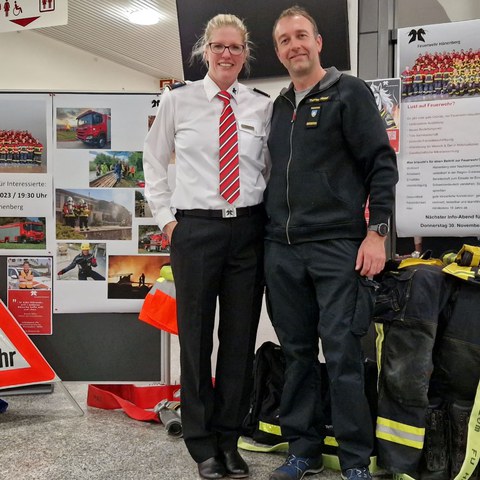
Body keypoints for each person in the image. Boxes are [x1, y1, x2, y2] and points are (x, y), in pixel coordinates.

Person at [264, 7, 398, 480]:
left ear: (319, 42)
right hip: (281, 251)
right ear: (278, 50)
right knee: (297, 352)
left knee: (342, 354)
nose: (294, 45)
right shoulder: (278, 106)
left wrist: (376, 233)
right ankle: (303, 449)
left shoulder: (349, 92)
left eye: (301, 35)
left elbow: (381, 165)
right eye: (284, 40)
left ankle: (356, 459)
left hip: (338, 247)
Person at [143, 13, 272, 480]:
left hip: (248, 232)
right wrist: (167, 222)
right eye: (218, 46)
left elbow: (270, 171)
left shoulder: (261, 105)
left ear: (245, 53)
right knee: (196, 341)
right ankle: (201, 445)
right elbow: (153, 161)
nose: (226, 54)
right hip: (195, 231)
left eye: (235, 47)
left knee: (238, 340)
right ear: (204, 50)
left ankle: (229, 439)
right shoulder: (176, 100)